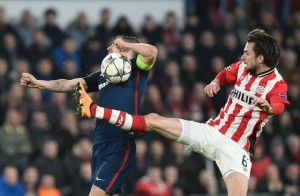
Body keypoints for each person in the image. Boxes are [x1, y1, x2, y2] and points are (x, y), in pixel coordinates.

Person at [73, 28, 290, 196]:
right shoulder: (243, 66)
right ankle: (93, 110)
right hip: (212, 131)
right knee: (153, 120)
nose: (242, 56)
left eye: (247, 52)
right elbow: (226, 74)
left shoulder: (277, 84)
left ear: (260, 58)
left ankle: (94, 110)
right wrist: (215, 82)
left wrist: (269, 107)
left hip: (237, 149)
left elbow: (279, 106)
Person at [20, 35, 158, 195]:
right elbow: (70, 84)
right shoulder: (101, 76)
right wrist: (39, 83)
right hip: (99, 144)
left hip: (120, 142)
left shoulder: (137, 68)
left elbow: (152, 52)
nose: (108, 48)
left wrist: (124, 43)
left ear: (125, 48)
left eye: (113, 44)